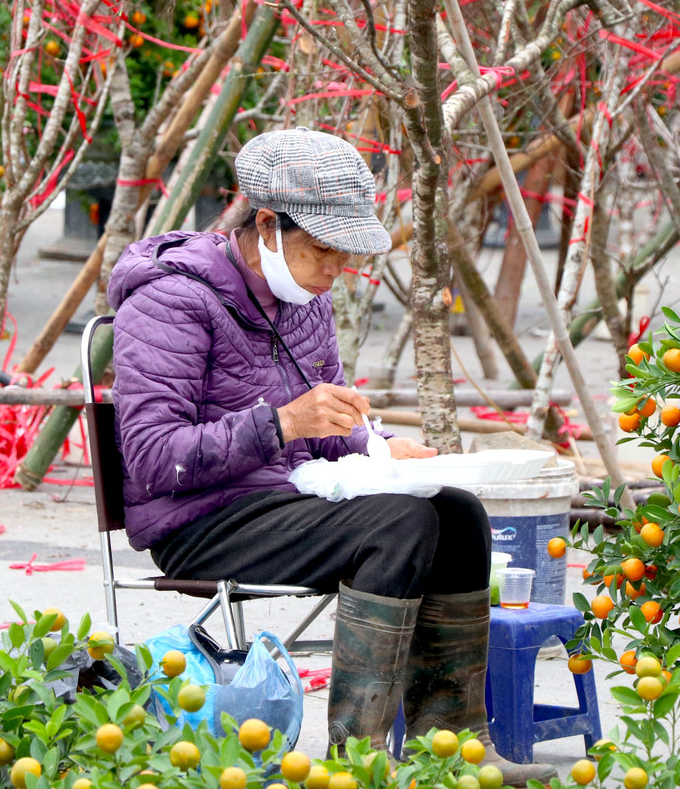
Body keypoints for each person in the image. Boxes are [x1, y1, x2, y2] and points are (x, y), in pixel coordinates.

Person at [106, 128, 555, 786]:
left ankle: (451, 747)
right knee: (400, 526)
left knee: (455, 512)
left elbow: (322, 424)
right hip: (201, 520)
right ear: (265, 225)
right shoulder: (172, 299)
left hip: (285, 500)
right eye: (322, 250)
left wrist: (376, 446)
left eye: (344, 255)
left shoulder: (303, 301)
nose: (334, 270)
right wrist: (279, 424)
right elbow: (150, 458)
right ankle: (358, 761)